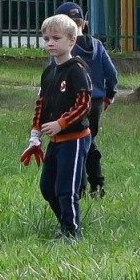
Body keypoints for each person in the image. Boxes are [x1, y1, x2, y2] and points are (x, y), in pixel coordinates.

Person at [21, 14, 93, 241]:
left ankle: (73, 232)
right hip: (56, 141)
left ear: (71, 41)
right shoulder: (49, 72)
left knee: (66, 189)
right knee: (47, 187)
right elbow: (42, 104)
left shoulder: (77, 70)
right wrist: (35, 135)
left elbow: (84, 105)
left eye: (56, 38)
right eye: (46, 38)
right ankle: (64, 223)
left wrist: (61, 124)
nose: (50, 43)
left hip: (75, 137)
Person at [54, 2, 118, 198]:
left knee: (76, 144)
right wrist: (109, 94)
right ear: (85, 24)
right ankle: (97, 183)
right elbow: (112, 74)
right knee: (89, 141)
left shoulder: (64, 48)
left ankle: (78, 187)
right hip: (96, 103)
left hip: (72, 103)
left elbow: (55, 77)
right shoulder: (97, 45)